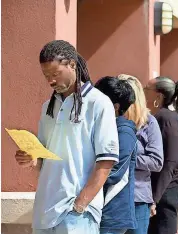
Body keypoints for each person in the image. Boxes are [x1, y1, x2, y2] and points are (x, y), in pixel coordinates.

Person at [14, 40, 119, 233]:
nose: (51, 81)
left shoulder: (99, 103)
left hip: (77, 214)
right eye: (46, 76)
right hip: (45, 211)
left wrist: (81, 204)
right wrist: (31, 158)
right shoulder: (48, 107)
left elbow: (106, 161)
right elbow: (44, 158)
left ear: (72, 64)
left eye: (55, 74)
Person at [117, 74, 164, 234]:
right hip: (111, 196)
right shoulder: (110, 119)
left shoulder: (149, 122)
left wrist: (126, 159)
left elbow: (156, 162)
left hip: (138, 197)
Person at [144, 76, 178, 234]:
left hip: (166, 190)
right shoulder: (158, 117)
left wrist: (155, 197)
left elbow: (172, 161)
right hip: (159, 188)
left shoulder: (167, 119)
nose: (143, 92)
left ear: (158, 96)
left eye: (147, 89)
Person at [95, 77, 138, 234]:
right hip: (101, 211)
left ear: (115, 107)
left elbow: (113, 173)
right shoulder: (105, 128)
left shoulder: (124, 132)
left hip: (113, 214)